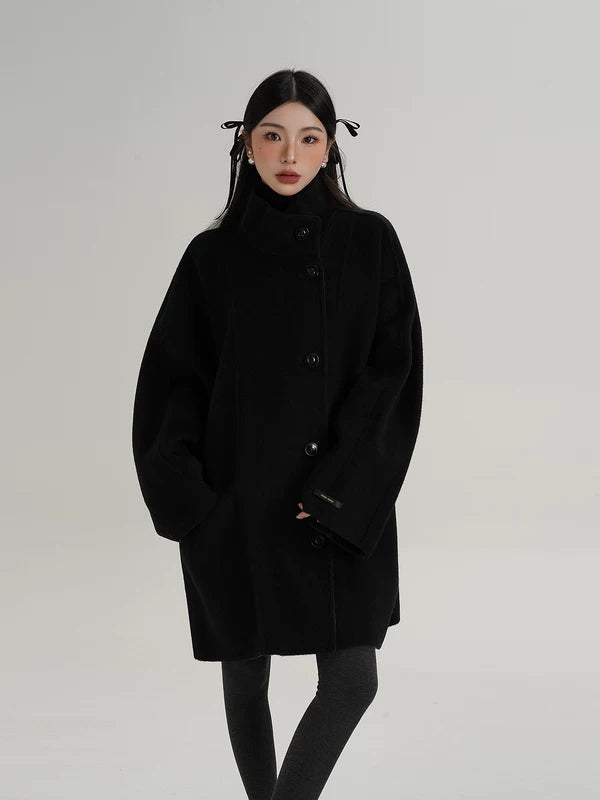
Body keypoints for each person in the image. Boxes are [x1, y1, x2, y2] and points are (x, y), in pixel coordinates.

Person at [132, 68, 423, 800]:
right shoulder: (212, 257)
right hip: (237, 508)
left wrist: (338, 493)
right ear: (246, 145)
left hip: (339, 509)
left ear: (331, 148)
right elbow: (170, 388)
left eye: (309, 138)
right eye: (273, 136)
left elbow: (393, 378)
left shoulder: (370, 242)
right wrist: (194, 506)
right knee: (245, 678)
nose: (290, 155)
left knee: (353, 678)